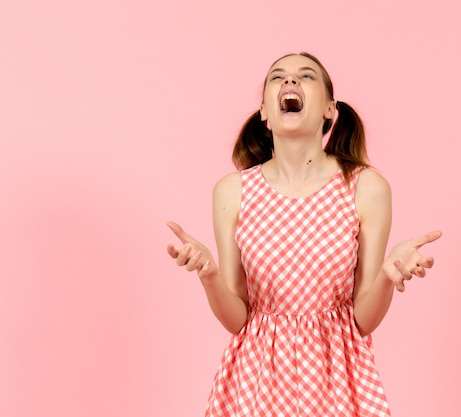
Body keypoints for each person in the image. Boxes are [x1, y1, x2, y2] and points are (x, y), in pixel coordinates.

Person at [167, 52, 442, 417]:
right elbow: (237, 319)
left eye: (306, 76)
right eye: (277, 77)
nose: (290, 82)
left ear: (330, 109)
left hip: (338, 378)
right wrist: (210, 276)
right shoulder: (232, 191)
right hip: (255, 381)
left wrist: (389, 275)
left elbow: (363, 320)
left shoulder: (365, 187)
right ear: (264, 110)